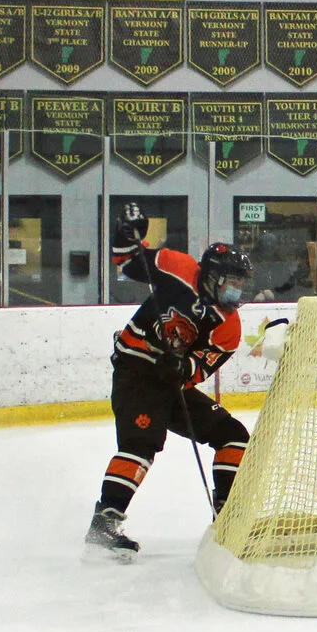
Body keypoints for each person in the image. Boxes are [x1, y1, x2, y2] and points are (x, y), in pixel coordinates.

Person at [84, 202, 253, 557]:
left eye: (241, 283)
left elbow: (201, 368)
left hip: (170, 383)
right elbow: (128, 262)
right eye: (232, 282)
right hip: (136, 368)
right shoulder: (179, 268)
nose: (237, 290)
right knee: (141, 444)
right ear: (212, 276)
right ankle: (104, 525)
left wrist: (183, 368)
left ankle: (227, 517)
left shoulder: (229, 327)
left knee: (233, 435)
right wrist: (126, 234)